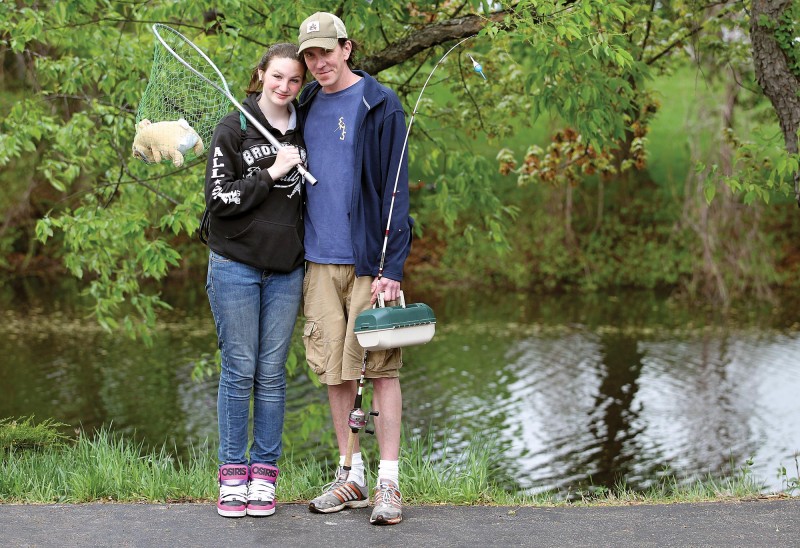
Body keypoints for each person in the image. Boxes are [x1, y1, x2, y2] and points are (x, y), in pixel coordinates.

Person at [296, 12, 413, 526]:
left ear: (347, 48)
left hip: (370, 262)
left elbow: (396, 189)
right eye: (310, 56)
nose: (319, 63)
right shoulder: (302, 105)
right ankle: (352, 475)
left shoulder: (380, 104)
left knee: (381, 369)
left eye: (326, 51)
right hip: (319, 261)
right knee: (334, 370)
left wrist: (393, 264)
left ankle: (388, 483)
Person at [202, 43, 307, 518]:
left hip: (286, 269)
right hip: (235, 264)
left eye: (294, 81)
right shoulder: (234, 126)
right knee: (239, 371)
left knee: (271, 375)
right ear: (261, 74)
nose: (284, 88)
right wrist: (272, 170)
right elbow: (220, 199)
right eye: (277, 77)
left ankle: (263, 475)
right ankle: (231, 476)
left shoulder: (305, 125)